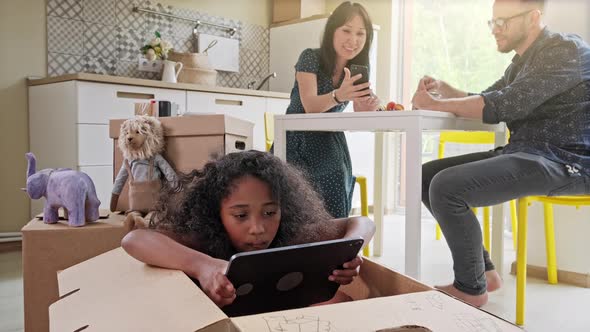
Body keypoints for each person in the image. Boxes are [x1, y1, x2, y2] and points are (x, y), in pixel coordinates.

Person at [412, 0, 590, 307]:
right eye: (492, 22)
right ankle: (484, 273)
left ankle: (470, 288)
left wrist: (436, 105)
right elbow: (489, 97)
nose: (495, 30)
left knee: (447, 186)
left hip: (566, 161)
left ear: (534, 17)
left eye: (503, 22)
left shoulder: (564, 50)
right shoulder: (520, 64)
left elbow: (502, 105)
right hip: (528, 152)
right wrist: (447, 90)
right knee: (425, 176)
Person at [121, 150, 375, 308]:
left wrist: (350, 250)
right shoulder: (202, 238)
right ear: (216, 213)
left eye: (269, 213)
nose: (257, 228)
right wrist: (204, 266)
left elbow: (363, 222)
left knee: (341, 302)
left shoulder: (291, 233)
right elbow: (134, 240)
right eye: (241, 215)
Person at [281, 1, 380, 218]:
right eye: (346, 30)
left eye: (360, 34)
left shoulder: (359, 67)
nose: (353, 40)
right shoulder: (310, 57)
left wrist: (369, 106)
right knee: (319, 185)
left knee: (338, 177)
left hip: (330, 138)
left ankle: (335, 245)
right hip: (297, 138)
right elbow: (310, 106)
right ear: (332, 30)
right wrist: (339, 95)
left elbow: (358, 111)